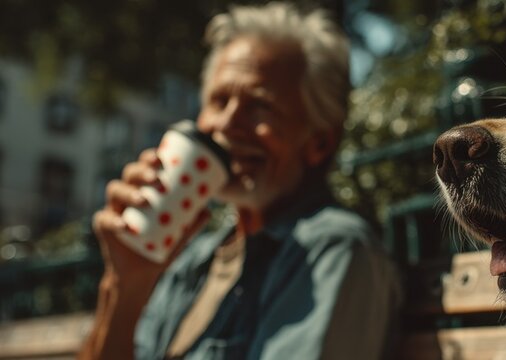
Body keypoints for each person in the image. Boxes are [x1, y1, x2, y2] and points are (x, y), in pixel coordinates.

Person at [79, 3, 400, 359]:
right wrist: (125, 285)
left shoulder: (332, 250)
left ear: (319, 142)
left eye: (259, 106)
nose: (227, 124)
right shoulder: (194, 259)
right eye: (219, 101)